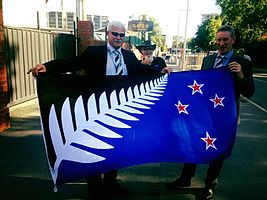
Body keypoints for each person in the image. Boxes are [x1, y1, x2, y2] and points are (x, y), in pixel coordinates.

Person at [27, 21, 172, 197]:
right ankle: (95, 187)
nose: (118, 38)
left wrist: (160, 72)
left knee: (115, 147)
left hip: (120, 109)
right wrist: (48, 67)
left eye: (121, 35)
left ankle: (111, 183)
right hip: (97, 109)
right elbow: (72, 63)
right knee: (95, 146)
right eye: (115, 34)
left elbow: (141, 70)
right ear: (107, 34)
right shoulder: (94, 53)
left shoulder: (128, 56)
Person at [166, 25, 255, 199]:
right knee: (193, 143)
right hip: (204, 114)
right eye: (219, 40)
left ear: (233, 41)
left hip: (225, 117)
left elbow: (250, 91)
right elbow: (200, 85)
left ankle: (209, 184)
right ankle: (186, 178)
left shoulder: (242, 62)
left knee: (218, 150)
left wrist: (241, 75)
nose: (221, 43)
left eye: (225, 40)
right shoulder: (209, 60)